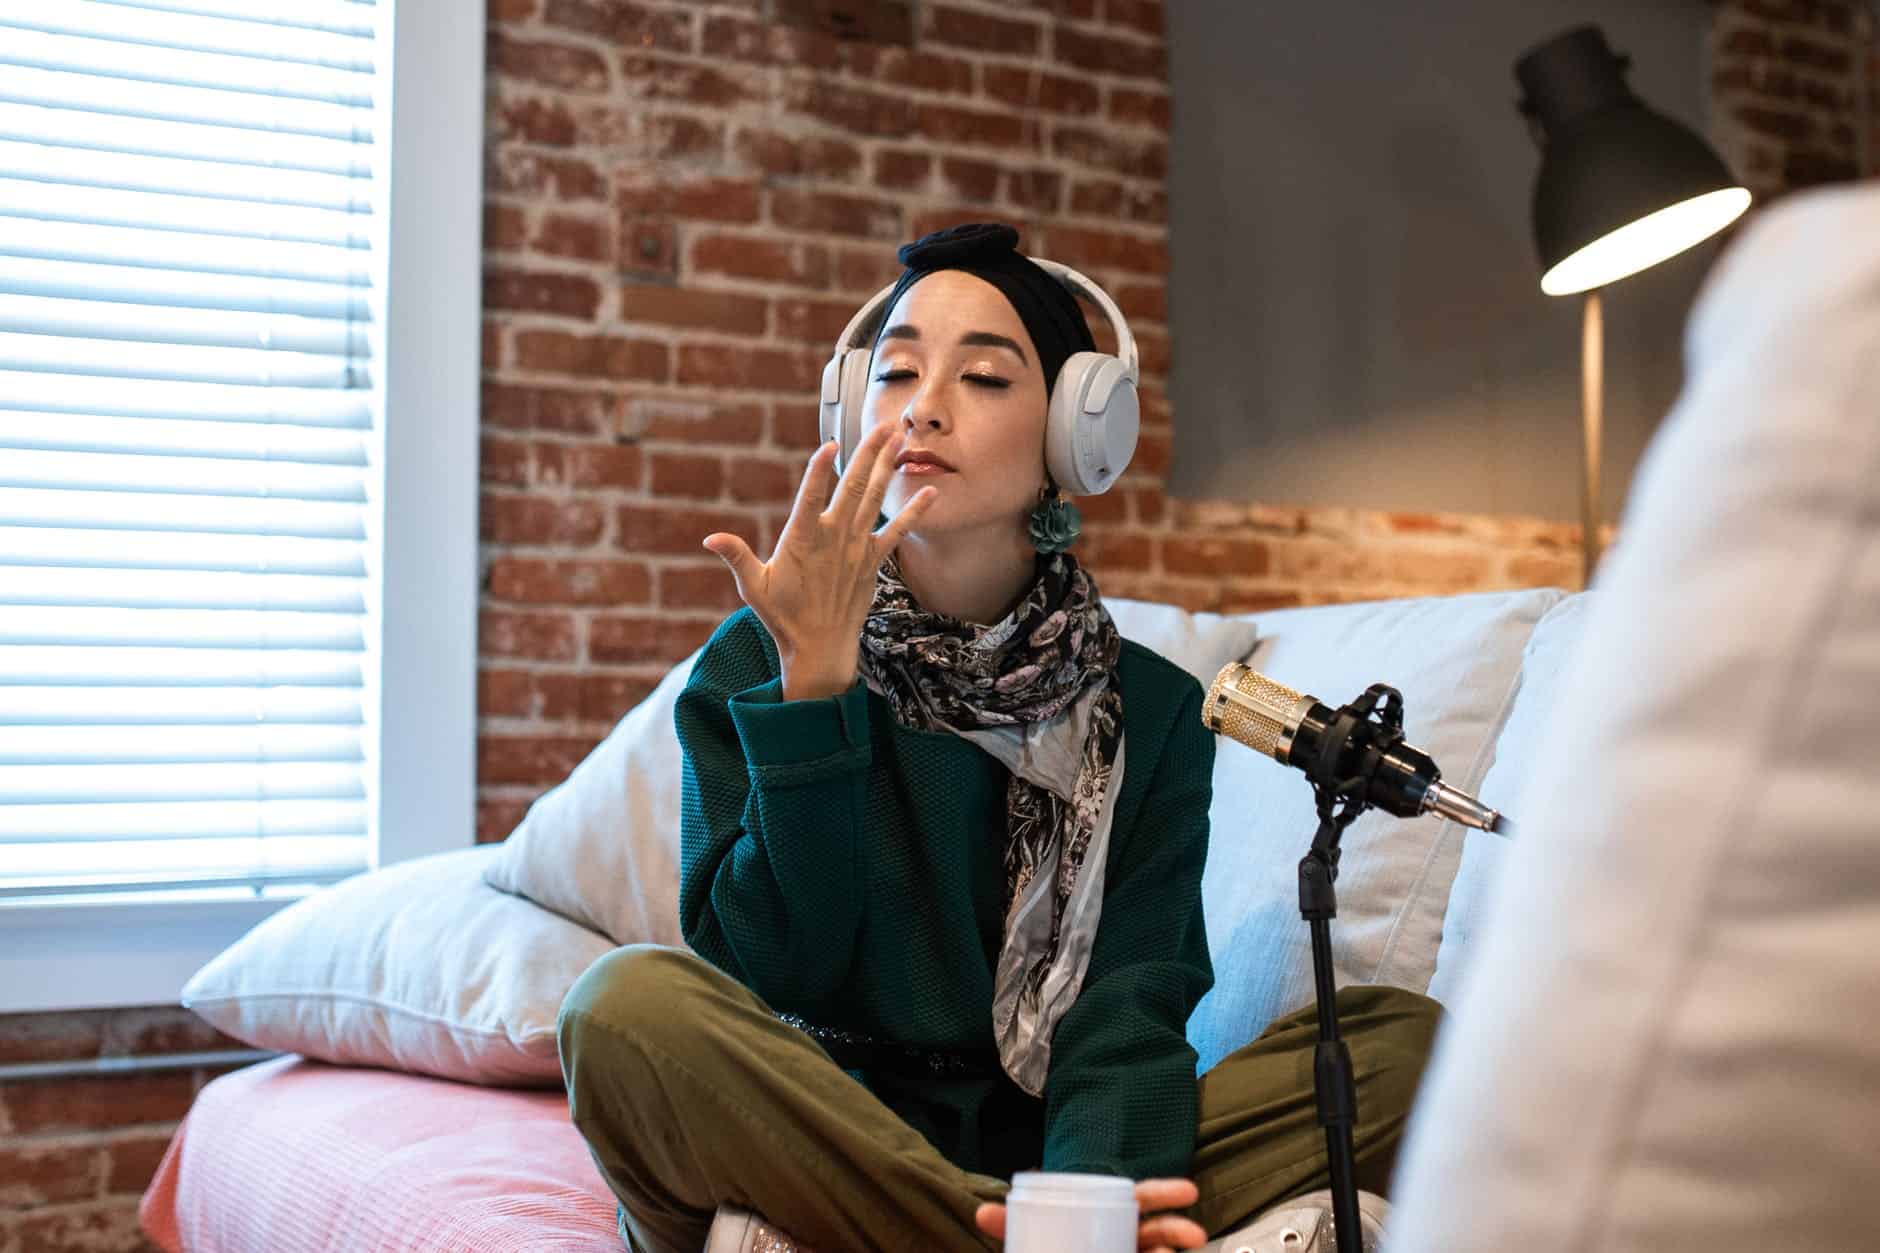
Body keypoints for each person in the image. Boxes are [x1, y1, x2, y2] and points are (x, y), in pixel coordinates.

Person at [556, 223, 1441, 1253]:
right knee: (620, 1011)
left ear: (1075, 432)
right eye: (893, 371)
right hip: (818, 1130)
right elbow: (771, 973)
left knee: (1395, 1045)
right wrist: (815, 691)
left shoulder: (1148, 711)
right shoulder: (756, 661)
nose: (922, 404)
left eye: (981, 376)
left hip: (1042, 1154)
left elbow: (1125, 1014)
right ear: (851, 406)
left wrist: (1091, 1194)